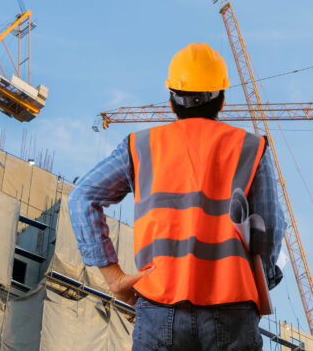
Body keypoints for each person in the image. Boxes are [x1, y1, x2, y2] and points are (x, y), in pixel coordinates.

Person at [69, 42, 285, 351]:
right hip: (233, 308)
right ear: (222, 100)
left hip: (159, 307)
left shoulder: (141, 146)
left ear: (172, 102)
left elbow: (82, 197)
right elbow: (269, 232)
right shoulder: (250, 148)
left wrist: (114, 278)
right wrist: (260, 282)